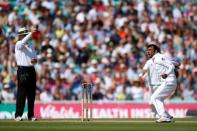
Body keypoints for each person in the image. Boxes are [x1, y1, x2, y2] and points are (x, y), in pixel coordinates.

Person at [139, 44, 177, 123]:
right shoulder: (154, 59)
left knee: (154, 98)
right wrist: (177, 63)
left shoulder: (159, 57)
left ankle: (164, 116)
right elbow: (173, 63)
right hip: (166, 82)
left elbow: (171, 66)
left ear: (155, 51)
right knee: (158, 99)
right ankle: (167, 116)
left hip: (168, 81)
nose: (148, 51)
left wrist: (166, 73)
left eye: (150, 50)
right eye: (147, 50)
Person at [14, 27, 38, 121]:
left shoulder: (31, 45)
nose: (25, 36)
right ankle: (18, 115)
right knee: (22, 93)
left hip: (31, 70)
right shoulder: (19, 44)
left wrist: (35, 60)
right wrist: (31, 33)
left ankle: (31, 115)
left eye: (26, 34)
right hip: (22, 70)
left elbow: (35, 58)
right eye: (24, 34)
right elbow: (24, 41)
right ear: (21, 35)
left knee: (31, 94)